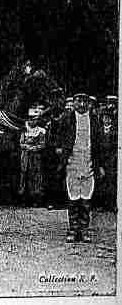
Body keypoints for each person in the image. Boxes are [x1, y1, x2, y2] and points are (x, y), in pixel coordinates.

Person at [56, 93, 105, 243]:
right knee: (73, 197)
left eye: (85, 101)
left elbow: (100, 144)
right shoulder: (66, 118)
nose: (82, 104)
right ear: (74, 102)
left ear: (89, 103)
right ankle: (73, 229)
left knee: (86, 199)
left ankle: (84, 230)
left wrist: (100, 165)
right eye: (79, 101)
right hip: (72, 162)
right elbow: (57, 137)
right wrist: (60, 150)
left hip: (88, 162)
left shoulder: (95, 120)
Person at [18, 106, 47, 205]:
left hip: (35, 157)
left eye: (34, 119)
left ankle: (36, 198)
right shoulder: (24, 130)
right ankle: (23, 198)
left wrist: (34, 148)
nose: (32, 121)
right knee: (24, 174)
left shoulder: (41, 131)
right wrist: (27, 147)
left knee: (35, 176)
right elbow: (21, 143)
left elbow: (42, 144)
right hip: (25, 155)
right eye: (30, 119)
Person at [96, 107, 117, 211]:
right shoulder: (99, 131)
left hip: (112, 161)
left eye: (108, 118)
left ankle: (111, 204)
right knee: (101, 184)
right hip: (102, 161)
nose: (106, 120)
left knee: (111, 183)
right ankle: (102, 205)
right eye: (105, 118)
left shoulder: (116, 132)